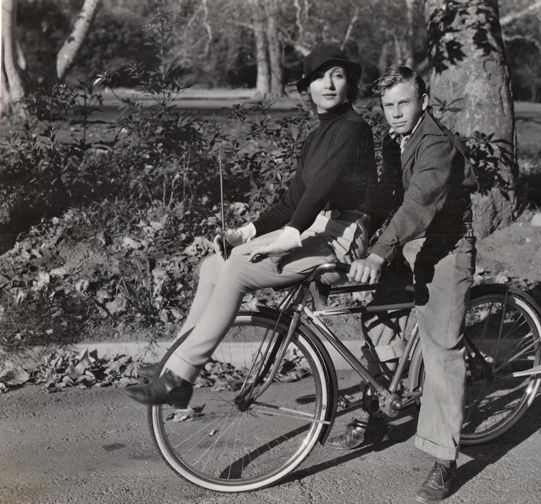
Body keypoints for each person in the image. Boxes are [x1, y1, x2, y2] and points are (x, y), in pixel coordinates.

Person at [124, 44, 377, 408]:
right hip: (317, 228)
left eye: (337, 75)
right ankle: (172, 364)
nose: (329, 83)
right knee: (214, 265)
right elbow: (294, 200)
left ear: (348, 82)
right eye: (320, 76)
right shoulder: (318, 135)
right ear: (307, 85)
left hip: (344, 237)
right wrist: (244, 233)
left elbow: (325, 186)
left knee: (239, 269)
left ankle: (182, 376)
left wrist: (292, 233)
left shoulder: (352, 129)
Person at [328, 66, 476, 502]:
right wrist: (354, 228)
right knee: (374, 317)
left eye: (403, 103)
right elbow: (389, 194)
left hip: (445, 246)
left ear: (423, 102)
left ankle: (443, 460)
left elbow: (419, 203)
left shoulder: (435, 143)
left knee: (442, 349)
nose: (394, 113)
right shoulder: (397, 139)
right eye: (388, 105)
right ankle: (384, 405)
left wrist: (378, 253)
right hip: (407, 242)